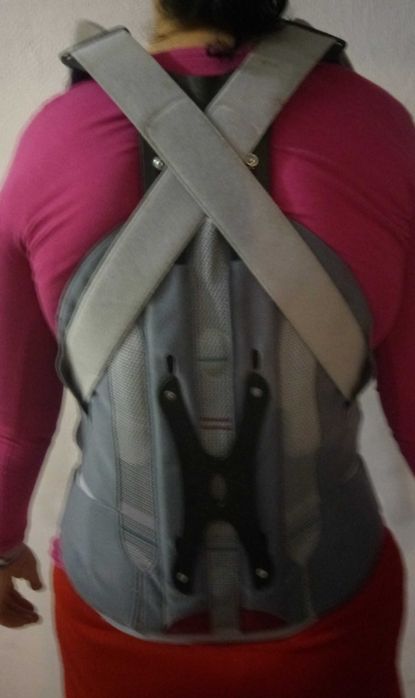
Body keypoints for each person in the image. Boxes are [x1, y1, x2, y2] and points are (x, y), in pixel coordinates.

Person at [0, 1, 414, 696]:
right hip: (331, 617)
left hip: (116, 624)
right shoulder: (377, 129)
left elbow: (11, 422)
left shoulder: (56, 139)